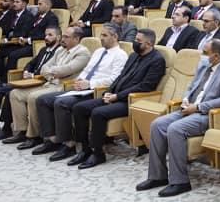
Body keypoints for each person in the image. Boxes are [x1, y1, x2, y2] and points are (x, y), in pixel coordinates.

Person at [138, 39, 220, 197]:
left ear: (216, 56)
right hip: (188, 108)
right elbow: (192, 86)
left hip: (207, 114)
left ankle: (180, 182)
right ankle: (157, 176)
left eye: (205, 53)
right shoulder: (204, 65)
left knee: (175, 129)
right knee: (157, 124)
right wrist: (185, 99)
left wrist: (198, 107)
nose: (201, 55)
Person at [68, 28, 166, 168]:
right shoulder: (134, 56)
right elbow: (120, 76)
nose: (134, 42)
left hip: (131, 100)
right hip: (115, 95)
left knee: (98, 113)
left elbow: (145, 86)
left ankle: (98, 154)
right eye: (135, 39)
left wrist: (117, 96)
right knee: (79, 108)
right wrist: (108, 92)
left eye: (138, 41)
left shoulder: (157, 60)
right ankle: (85, 150)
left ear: (149, 44)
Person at [32, 25, 128, 162]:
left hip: (96, 90)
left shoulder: (120, 55)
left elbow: (114, 80)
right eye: (101, 35)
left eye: (105, 35)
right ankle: (52, 140)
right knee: (43, 100)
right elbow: (87, 70)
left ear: (115, 37)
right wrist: (80, 80)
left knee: (61, 103)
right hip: (81, 87)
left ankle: (68, 144)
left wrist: (90, 84)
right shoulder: (98, 51)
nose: (101, 38)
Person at [0, 25, 65, 143]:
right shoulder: (43, 50)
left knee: (10, 94)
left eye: (50, 35)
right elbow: (31, 63)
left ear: (59, 37)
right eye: (46, 35)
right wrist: (26, 71)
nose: (46, 37)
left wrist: (33, 75)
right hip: (29, 80)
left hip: (40, 81)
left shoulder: (60, 52)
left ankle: (6, 128)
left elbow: (51, 72)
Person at [15, 26, 91, 151]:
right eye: (63, 36)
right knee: (15, 94)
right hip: (50, 83)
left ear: (76, 39)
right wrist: (52, 73)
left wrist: (52, 72)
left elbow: (67, 70)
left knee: (34, 97)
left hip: (64, 86)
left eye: (66, 37)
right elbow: (44, 68)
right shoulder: (60, 50)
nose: (63, 39)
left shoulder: (83, 53)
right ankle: (22, 130)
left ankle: (34, 135)